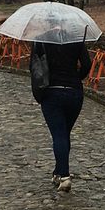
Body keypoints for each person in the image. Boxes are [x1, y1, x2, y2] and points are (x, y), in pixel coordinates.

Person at [32, 40, 91, 192]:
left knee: (59, 135)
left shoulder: (41, 40)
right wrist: (76, 77)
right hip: (74, 92)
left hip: (51, 91)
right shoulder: (76, 39)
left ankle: (64, 176)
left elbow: (34, 66)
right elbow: (87, 64)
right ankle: (58, 172)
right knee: (64, 134)